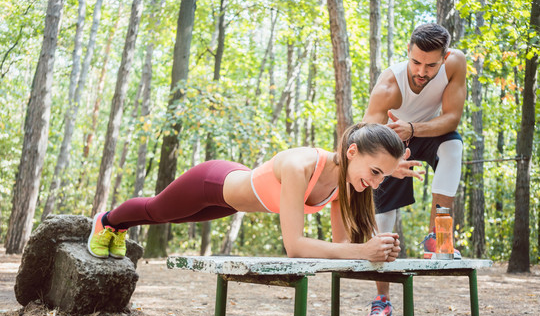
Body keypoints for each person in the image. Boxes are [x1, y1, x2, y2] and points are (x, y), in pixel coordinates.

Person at [88, 123, 407, 262]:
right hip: (212, 182)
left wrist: (373, 249)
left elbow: (340, 248)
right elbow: (294, 246)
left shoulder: (344, 187)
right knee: (157, 210)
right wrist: (362, 251)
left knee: (173, 219)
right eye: (376, 172)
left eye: (384, 178)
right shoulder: (301, 165)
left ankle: (120, 228)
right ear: (352, 151)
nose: (377, 184)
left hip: (231, 203)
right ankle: (107, 221)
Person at [361, 23, 467, 316]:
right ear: (408, 51)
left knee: (452, 148)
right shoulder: (388, 87)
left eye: (431, 65)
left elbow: (451, 119)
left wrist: (413, 128)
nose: (421, 71)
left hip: (428, 132)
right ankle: (382, 302)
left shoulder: (456, 64)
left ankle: (439, 237)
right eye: (416, 62)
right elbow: (366, 138)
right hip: (389, 139)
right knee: (384, 210)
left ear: (445, 58)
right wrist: (389, 165)